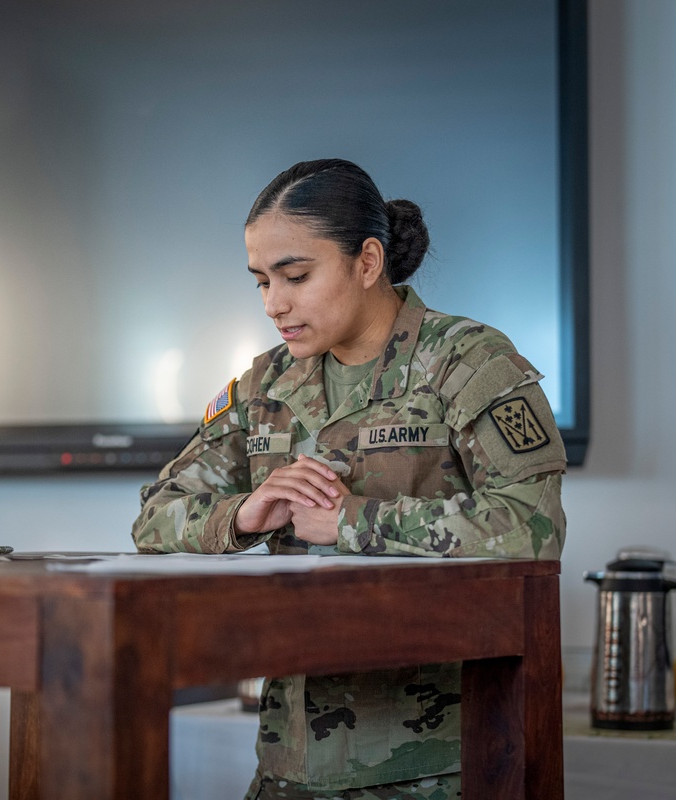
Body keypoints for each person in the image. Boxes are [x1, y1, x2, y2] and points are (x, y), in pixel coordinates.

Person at [131, 158, 566, 800]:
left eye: (296, 276)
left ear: (367, 262)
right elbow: (153, 518)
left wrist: (355, 521)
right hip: (288, 768)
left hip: (435, 770)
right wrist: (242, 515)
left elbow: (534, 527)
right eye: (260, 283)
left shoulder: (467, 363)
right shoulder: (263, 386)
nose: (275, 303)